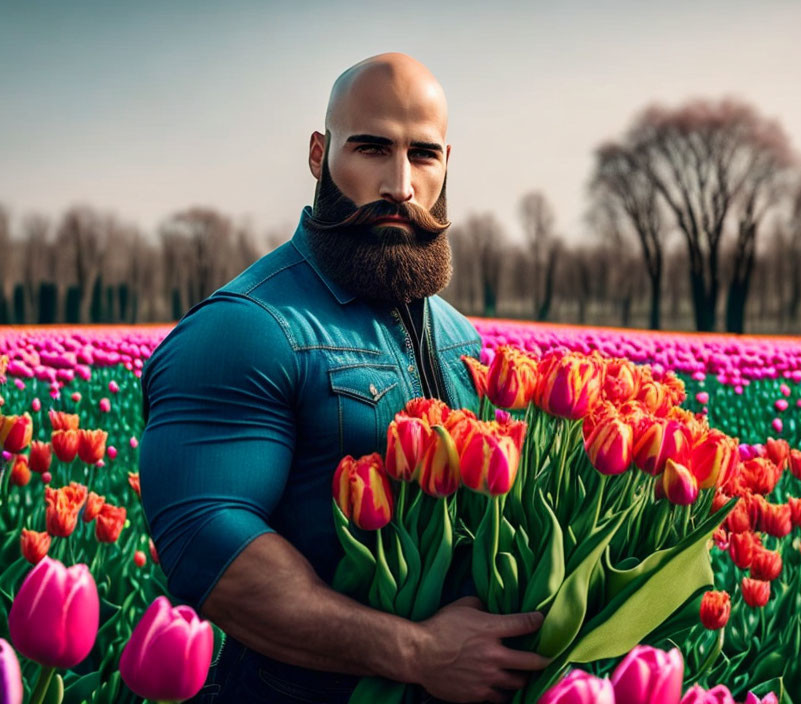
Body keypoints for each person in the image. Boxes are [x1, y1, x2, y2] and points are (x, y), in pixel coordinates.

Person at [139, 53, 550, 704]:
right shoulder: (247, 328)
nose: (400, 184)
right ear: (318, 154)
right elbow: (208, 544)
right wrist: (417, 654)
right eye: (371, 148)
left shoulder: (459, 336)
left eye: (424, 155)